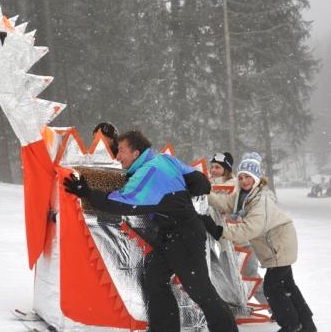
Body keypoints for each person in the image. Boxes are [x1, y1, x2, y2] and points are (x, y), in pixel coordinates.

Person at [64, 130, 238, 332]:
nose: (117, 157)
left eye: (121, 151)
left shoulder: (149, 172)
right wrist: (178, 191)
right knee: (155, 277)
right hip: (172, 235)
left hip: (185, 236)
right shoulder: (164, 160)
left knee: (200, 291)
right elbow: (200, 181)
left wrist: (87, 193)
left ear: (136, 153)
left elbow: (123, 203)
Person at [201, 152, 317, 332]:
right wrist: (206, 192)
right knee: (287, 285)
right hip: (276, 243)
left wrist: (218, 230)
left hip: (278, 243)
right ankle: (306, 325)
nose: (244, 180)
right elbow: (224, 203)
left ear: (256, 178)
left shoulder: (260, 200)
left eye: (248, 177)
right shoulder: (243, 195)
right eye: (241, 177)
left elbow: (248, 229)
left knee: (272, 286)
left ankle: (291, 325)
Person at [210, 152, 269, 307]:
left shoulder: (235, 184)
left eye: (217, 167)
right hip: (224, 242)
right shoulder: (210, 184)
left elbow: (228, 198)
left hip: (243, 241)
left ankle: (273, 304)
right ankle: (234, 304)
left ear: (226, 169)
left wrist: (206, 187)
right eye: (212, 167)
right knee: (229, 276)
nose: (213, 170)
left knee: (249, 276)